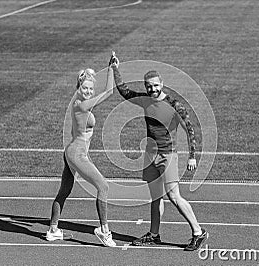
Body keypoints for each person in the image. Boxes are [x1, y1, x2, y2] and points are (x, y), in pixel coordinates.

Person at [109, 54, 207, 251]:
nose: (152, 89)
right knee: (155, 198)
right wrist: (115, 69)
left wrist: (192, 156)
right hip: (150, 156)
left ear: (162, 83)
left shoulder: (174, 105)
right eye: (149, 86)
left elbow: (190, 130)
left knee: (174, 196)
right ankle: (154, 234)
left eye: (155, 85)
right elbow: (125, 92)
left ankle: (198, 232)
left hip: (168, 156)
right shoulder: (145, 100)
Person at [46, 56, 116, 247]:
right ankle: (104, 230)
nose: (88, 91)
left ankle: (53, 230)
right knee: (103, 187)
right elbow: (109, 91)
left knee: (65, 190)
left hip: (72, 151)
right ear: (78, 87)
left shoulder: (77, 102)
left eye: (91, 89)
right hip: (77, 154)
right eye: (85, 88)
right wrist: (112, 69)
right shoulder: (82, 105)